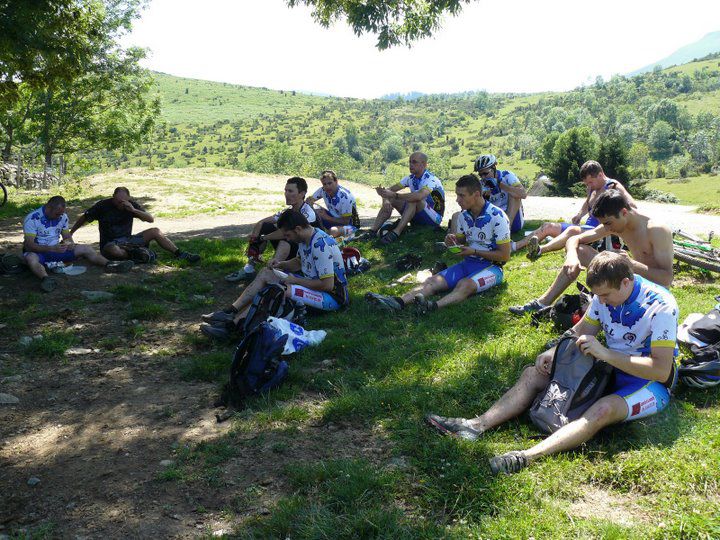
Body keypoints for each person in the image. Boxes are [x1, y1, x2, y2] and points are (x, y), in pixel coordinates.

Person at [427, 251, 679, 475]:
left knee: (604, 410)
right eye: (597, 296)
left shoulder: (661, 305)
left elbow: (660, 370)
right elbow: (583, 329)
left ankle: (525, 456)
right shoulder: (605, 295)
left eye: (605, 296)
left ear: (626, 282)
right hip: (609, 367)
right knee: (532, 374)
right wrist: (555, 350)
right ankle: (475, 426)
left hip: (649, 383)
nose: (601, 302)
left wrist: (606, 354)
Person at [509, 189, 673, 315]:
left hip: (653, 290)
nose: (607, 229)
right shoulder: (617, 223)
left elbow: (666, 279)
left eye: (608, 223)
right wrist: (571, 257)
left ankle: (587, 323)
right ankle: (543, 303)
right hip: (630, 278)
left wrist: (632, 265)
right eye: (605, 224)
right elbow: (575, 239)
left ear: (624, 212)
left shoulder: (656, 230)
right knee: (579, 250)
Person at [365, 175, 510, 313]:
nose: (457, 200)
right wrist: (452, 240)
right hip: (469, 262)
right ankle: (397, 302)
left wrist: (474, 252)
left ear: (477, 194)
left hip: (492, 267)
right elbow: (461, 240)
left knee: (465, 285)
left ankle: (431, 306)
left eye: (462, 195)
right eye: (457, 195)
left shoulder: (497, 216)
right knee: (432, 281)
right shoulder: (464, 216)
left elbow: (504, 256)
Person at [201, 209, 349, 339]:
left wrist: (294, 281)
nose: (287, 239)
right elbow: (299, 261)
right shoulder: (307, 237)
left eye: (288, 235)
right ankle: (231, 312)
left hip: (333, 298)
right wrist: (282, 264)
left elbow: (327, 285)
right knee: (267, 273)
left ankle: (234, 329)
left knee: (277, 290)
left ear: (297, 229)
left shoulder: (320, 245)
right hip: (315, 288)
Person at [512, 161, 636, 259]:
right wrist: (579, 215)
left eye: (591, 182)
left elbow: (632, 205)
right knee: (548, 226)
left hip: (598, 232)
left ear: (600, 174)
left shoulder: (613, 186)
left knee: (571, 230)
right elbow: (587, 203)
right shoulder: (592, 188)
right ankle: (515, 246)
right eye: (586, 183)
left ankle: (539, 250)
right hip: (586, 228)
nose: (589, 186)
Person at [22, 196, 133, 292]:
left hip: (56, 250)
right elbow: (29, 246)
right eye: (57, 214)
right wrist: (51, 248)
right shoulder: (32, 218)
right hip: (39, 252)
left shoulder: (62, 217)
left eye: (61, 214)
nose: (59, 216)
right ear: (49, 208)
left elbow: (67, 236)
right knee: (31, 258)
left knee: (86, 248)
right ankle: (46, 279)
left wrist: (69, 243)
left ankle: (111, 265)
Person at [70, 186, 200, 263]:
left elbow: (150, 219)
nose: (121, 203)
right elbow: (84, 218)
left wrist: (133, 210)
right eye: (118, 200)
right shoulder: (103, 206)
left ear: (129, 198)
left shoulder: (131, 206)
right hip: (110, 244)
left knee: (155, 231)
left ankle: (179, 253)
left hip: (128, 241)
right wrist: (71, 233)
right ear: (113, 197)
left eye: (124, 200)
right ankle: (137, 255)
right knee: (113, 250)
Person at [226, 176, 318, 282]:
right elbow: (263, 222)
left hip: (306, 253)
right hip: (294, 248)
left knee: (286, 239)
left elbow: (285, 233)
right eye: (285, 190)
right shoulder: (288, 211)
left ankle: (273, 271)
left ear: (302, 194)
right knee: (265, 226)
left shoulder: (308, 213)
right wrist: (255, 238)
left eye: (290, 191)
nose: (286, 194)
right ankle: (249, 269)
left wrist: (263, 238)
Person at [356, 152, 445, 244]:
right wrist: (386, 200)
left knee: (413, 199)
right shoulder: (410, 178)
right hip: (419, 213)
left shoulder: (431, 179)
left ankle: (396, 233)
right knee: (393, 199)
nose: (410, 165)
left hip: (434, 218)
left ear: (423, 164)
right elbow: (389, 190)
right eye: (410, 162)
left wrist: (395, 195)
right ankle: (372, 232)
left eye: (414, 162)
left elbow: (419, 196)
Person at [473, 154, 526, 234]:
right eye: (480, 175)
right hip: (495, 218)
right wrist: (484, 198)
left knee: (515, 194)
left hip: (513, 217)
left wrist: (500, 185)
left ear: (494, 168)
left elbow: (523, 194)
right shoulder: (481, 184)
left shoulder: (507, 175)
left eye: (485, 173)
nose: (483, 177)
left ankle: (506, 228)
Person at [305, 170, 360, 238]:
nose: (327, 186)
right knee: (313, 209)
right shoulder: (323, 190)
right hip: (332, 218)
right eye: (324, 184)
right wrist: (309, 205)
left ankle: (322, 234)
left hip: (350, 225)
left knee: (333, 231)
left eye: (330, 183)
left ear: (336, 182)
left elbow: (346, 221)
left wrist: (327, 217)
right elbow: (309, 201)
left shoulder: (345, 197)